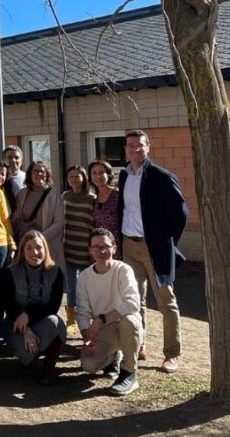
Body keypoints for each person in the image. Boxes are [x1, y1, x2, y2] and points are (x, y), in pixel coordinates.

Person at [117, 129, 188, 373]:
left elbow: (180, 215)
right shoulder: (124, 176)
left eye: (140, 145)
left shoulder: (161, 176)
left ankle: (172, 354)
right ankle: (139, 345)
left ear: (148, 147)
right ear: (125, 149)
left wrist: (165, 241)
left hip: (154, 247)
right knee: (135, 300)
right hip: (129, 245)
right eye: (131, 146)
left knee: (166, 302)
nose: (135, 150)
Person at [76, 228, 143, 396]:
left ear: (114, 248)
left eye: (105, 246)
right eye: (96, 247)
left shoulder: (123, 270)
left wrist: (101, 319)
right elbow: (83, 311)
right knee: (89, 366)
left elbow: (133, 303)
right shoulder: (84, 277)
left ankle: (129, 372)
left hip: (123, 324)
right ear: (90, 250)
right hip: (104, 330)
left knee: (130, 321)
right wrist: (87, 336)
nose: (101, 250)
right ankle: (113, 357)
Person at [0, 230, 66, 385]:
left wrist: (28, 315)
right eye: (29, 247)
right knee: (26, 350)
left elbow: (52, 307)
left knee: (55, 322)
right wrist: (26, 329)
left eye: (39, 247)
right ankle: (29, 361)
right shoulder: (10, 272)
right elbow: (8, 305)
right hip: (16, 323)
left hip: (41, 320)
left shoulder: (56, 272)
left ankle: (48, 367)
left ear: (45, 249)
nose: (35, 252)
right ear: (22, 250)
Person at [11, 161, 65, 271]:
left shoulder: (54, 194)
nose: (39, 173)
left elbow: (59, 223)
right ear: (30, 173)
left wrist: (39, 240)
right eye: (36, 170)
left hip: (45, 246)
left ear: (47, 174)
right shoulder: (22, 194)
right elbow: (15, 219)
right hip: (24, 245)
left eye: (42, 171)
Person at [63, 165, 95, 335]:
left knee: (87, 287)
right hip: (68, 248)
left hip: (85, 250)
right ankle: (71, 319)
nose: (74, 179)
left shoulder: (91, 198)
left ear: (84, 178)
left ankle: (87, 318)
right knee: (71, 286)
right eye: (71, 176)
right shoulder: (65, 196)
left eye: (77, 176)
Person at [89, 160, 121, 253]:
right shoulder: (94, 199)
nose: (98, 176)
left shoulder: (117, 195)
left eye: (101, 172)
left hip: (115, 245)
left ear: (109, 174)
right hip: (99, 246)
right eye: (94, 173)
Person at [2, 145, 26, 213]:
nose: (13, 160)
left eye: (17, 157)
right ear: (4, 160)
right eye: (10, 157)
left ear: (21, 160)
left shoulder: (27, 178)